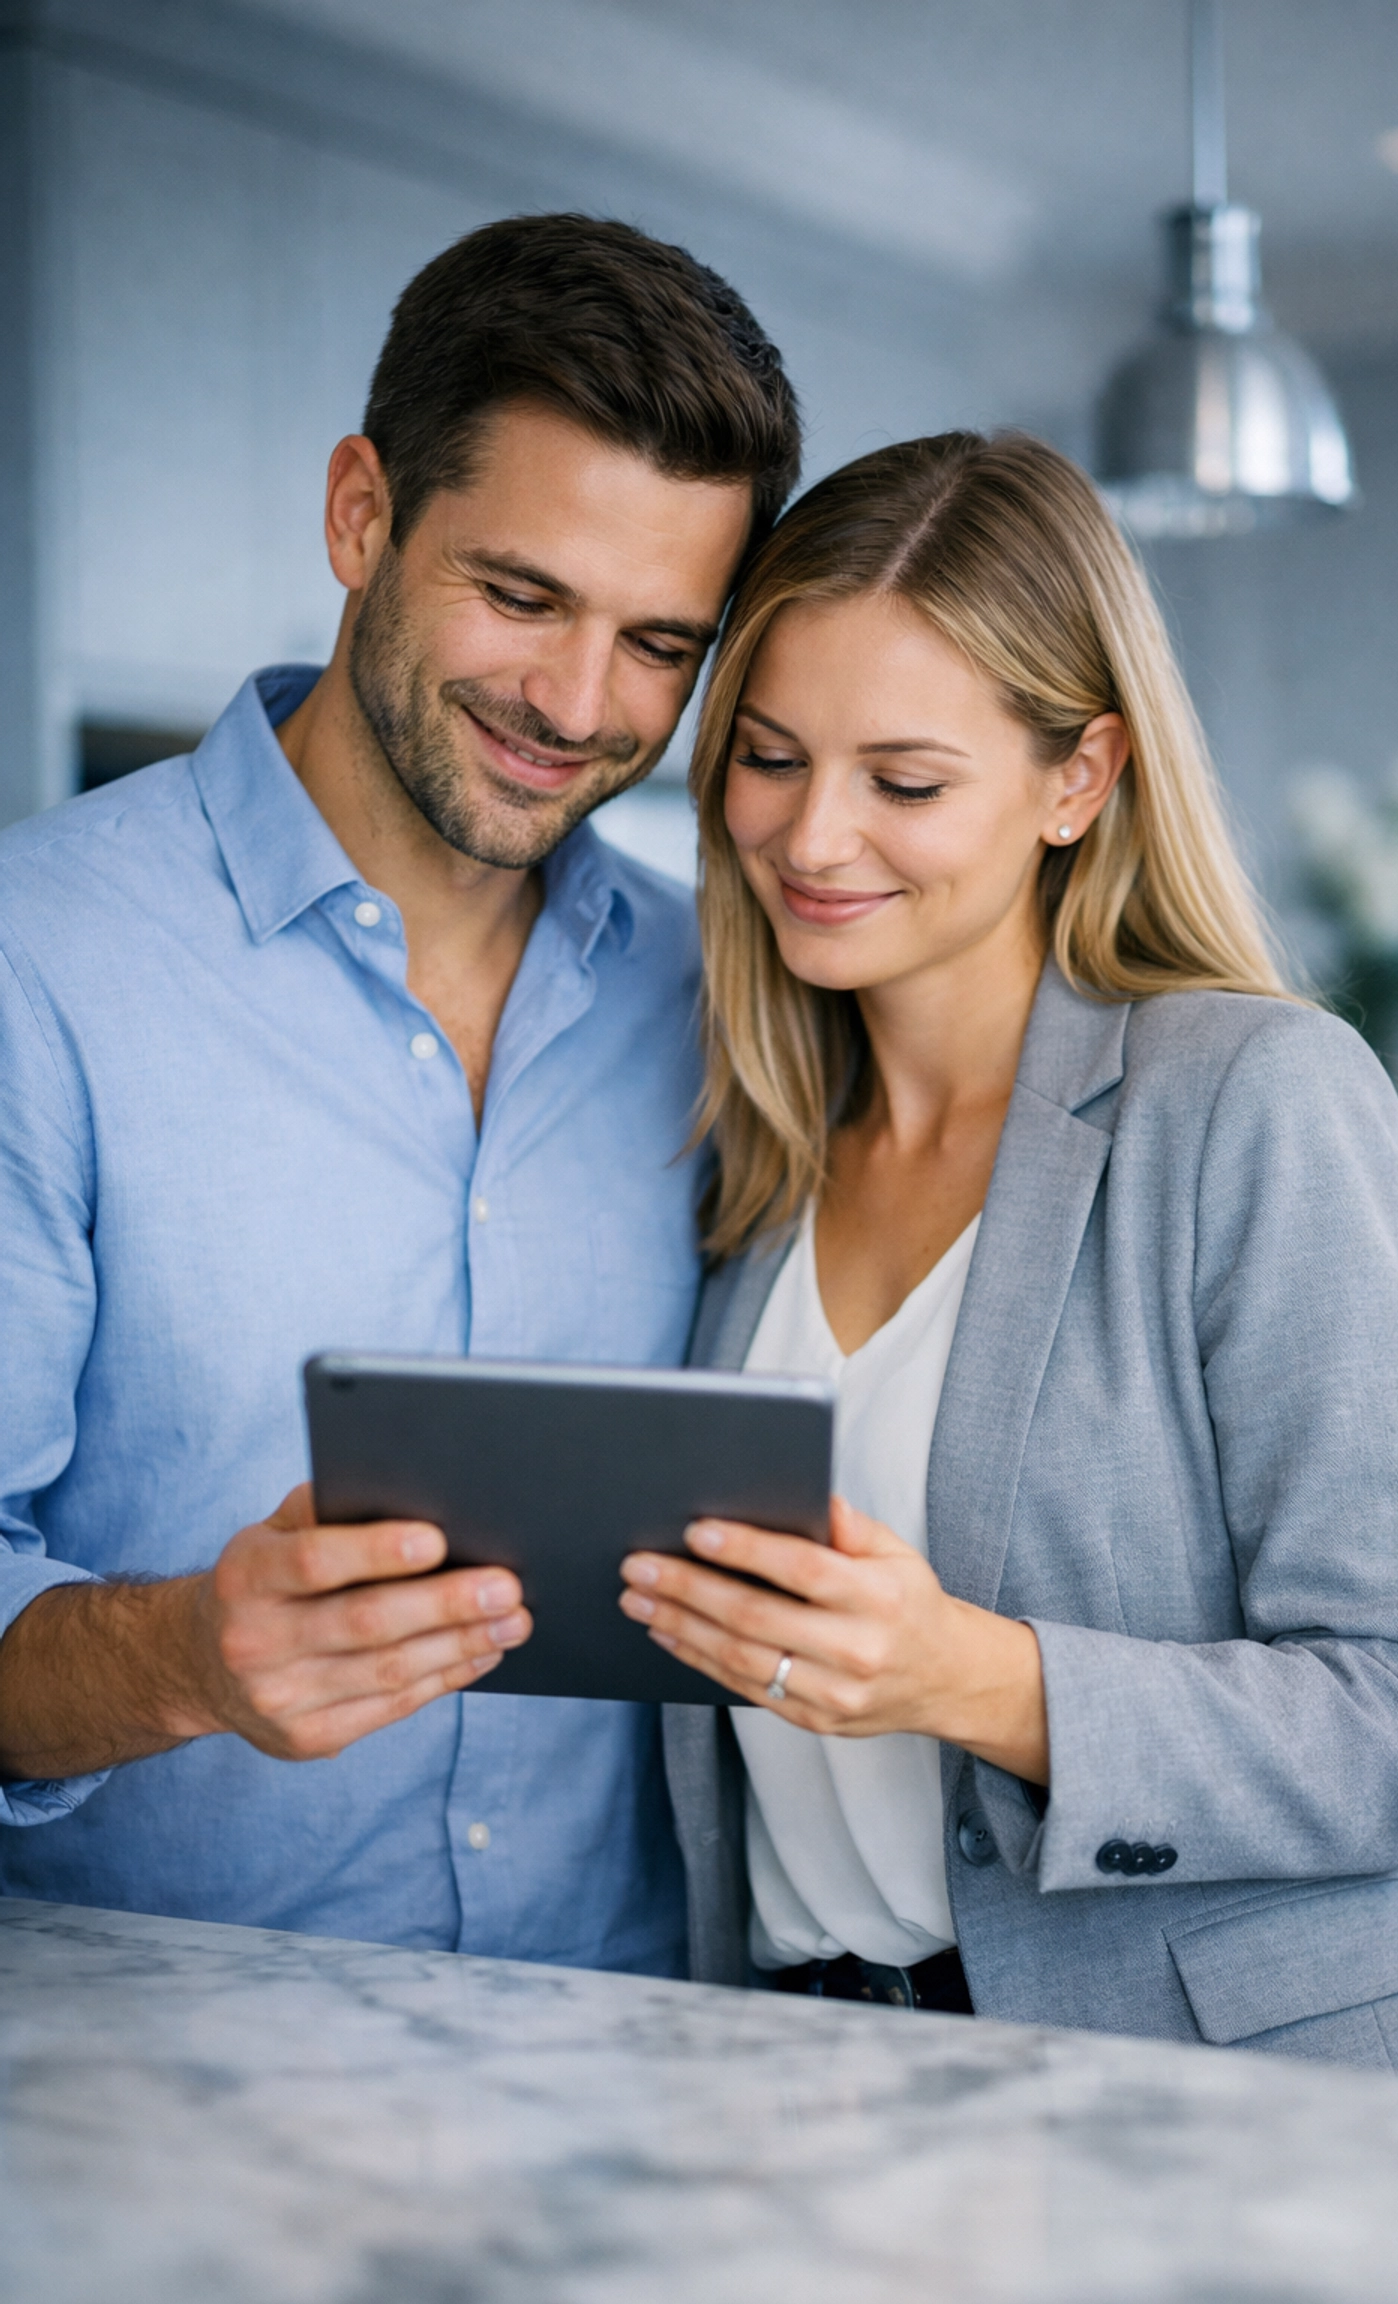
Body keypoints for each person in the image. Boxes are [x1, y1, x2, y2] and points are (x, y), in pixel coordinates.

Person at [625, 430, 1398, 2080]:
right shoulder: (756, 1146)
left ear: (1079, 779)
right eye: (767, 757)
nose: (815, 840)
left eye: (905, 781)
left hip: (1227, 2117)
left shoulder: (1250, 1097)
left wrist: (974, 1677)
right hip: (811, 2092)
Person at [0, 214, 800, 1974]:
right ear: (362, 511)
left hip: (629, 2059)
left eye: (659, 644)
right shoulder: (36, 961)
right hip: (155, 2089)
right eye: (520, 596)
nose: (577, 706)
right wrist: (190, 1656)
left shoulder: (727, 992)